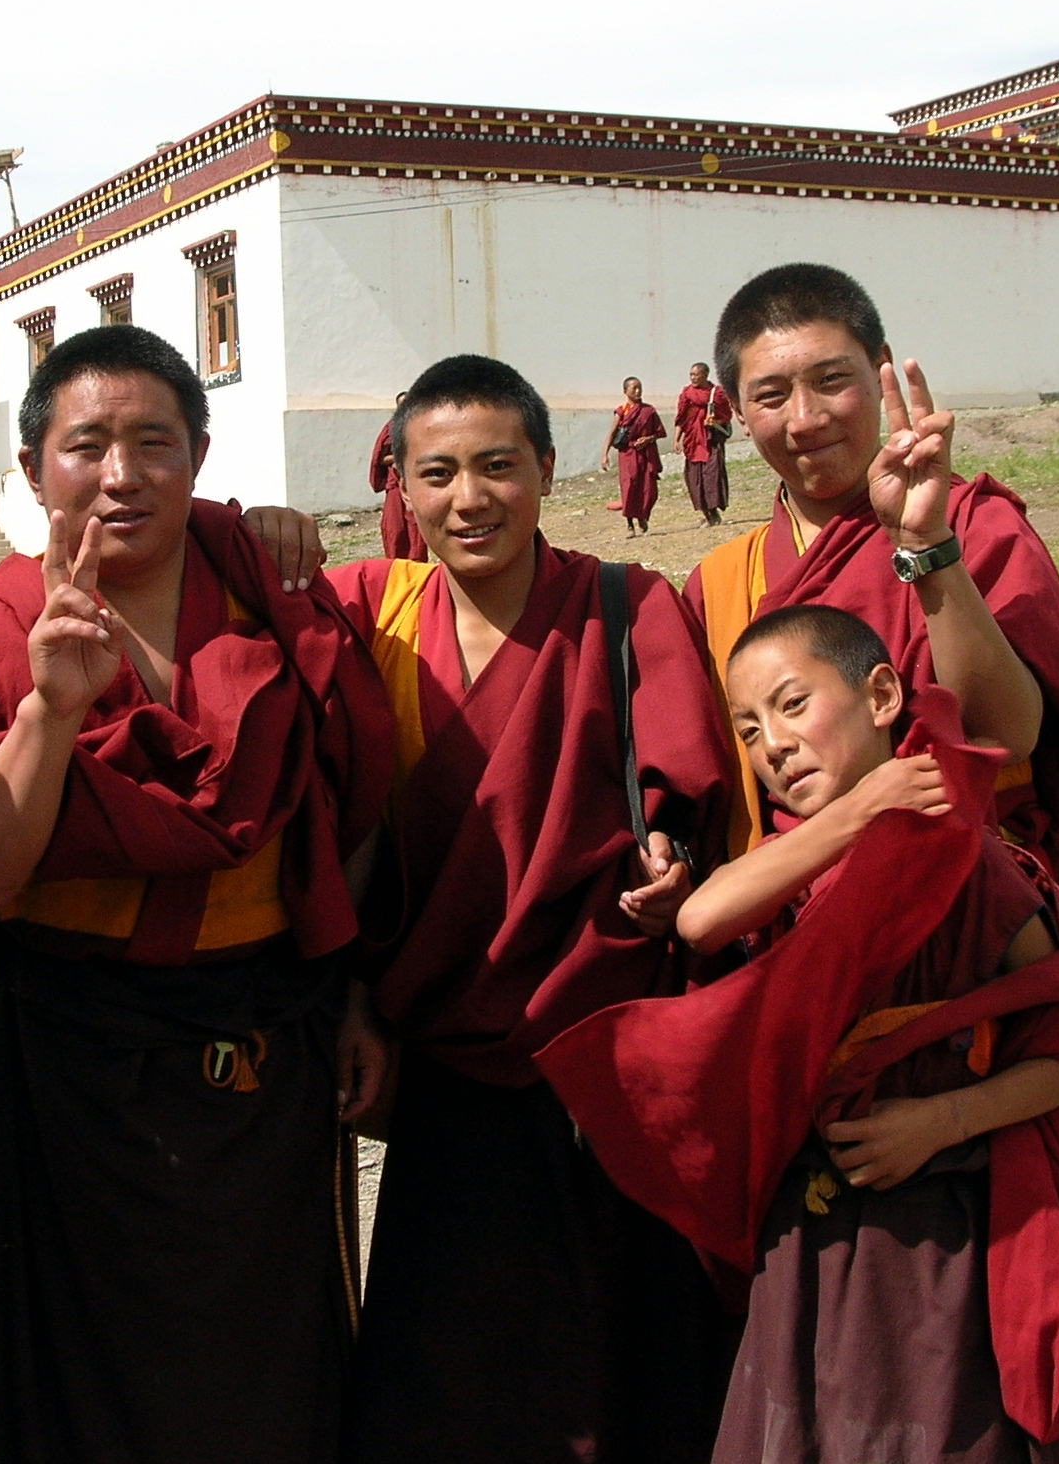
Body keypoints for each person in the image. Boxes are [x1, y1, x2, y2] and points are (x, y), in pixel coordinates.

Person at [0, 324, 393, 1464]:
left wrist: (353, 990)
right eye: (86, 446)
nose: (121, 475)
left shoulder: (272, 592)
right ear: (31, 471)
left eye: (153, 442)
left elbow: (352, 805)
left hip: (270, 1041)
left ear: (200, 455)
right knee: (74, 1363)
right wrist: (48, 715)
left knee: (273, 1357)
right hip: (74, 1049)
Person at [540, 604, 1059, 1464]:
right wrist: (859, 815)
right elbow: (703, 917)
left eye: (791, 705)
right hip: (815, 1233)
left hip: (945, 1233)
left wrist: (942, 1121)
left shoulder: (967, 860)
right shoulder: (804, 861)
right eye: (746, 730)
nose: (771, 745)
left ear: (884, 694)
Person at [326, 354, 736, 1464]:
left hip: (601, 1041)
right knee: (449, 1351)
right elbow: (345, 821)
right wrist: (355, 996)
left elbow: (680, 774)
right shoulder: (375, 616)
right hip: (447, 1052)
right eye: (440, 473)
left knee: (621, 1337)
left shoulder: (621, 600)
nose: (470, 499)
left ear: (549, 471)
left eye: (499, 466)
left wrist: (671, 850)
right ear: (400, 490)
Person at [686, 264, 1059, 920]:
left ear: (882, 368)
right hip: (808, 932)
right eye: (772, 396)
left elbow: (1005, 735)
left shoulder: (973, 525)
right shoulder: (725, 581)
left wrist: (927, 547)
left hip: (973, 921)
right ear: (736, 410)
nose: (806, 420)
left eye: (832, 380)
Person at [368, 392, 427, 561]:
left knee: (415, 527)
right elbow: (380, 458)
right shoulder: (391, 428)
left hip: (416, 483)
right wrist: (403, 456)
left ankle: (418, 562)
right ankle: (396, 563)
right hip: (395, 484)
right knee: (395, 527)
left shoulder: (421, 426)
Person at [601, 376, 664, 536]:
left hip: (645, 454)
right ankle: (630, 524)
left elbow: (660, 432)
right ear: (625, 391)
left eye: (639, 387)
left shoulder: (648, 411)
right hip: (627, 454)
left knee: (648, 489)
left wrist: (648, 439)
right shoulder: (621, 411)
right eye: (634, 388)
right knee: (629, 487)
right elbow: (612, 433)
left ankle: (642, 517)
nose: (637, 391)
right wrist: (605, 455)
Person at [674, 362, 732, 526]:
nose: (692, 378)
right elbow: (681, 418)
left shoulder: (717, 394)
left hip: (710, 441)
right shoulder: (687, 393)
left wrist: (714, 421)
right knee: (694, 478)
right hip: (693, 442)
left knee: (712, 476)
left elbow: (726, 416)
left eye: (696, 374)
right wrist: (676, 439)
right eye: (691, 374)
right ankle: (706, 514)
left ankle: (714, 512)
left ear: (705, 375)